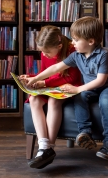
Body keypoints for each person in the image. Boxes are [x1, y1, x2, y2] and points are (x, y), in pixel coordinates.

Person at [25, 16, 108, 161]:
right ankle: (85, 133)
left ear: (90, 41)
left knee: (105, 102)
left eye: (76, 40)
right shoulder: (77, 56)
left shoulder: (103, 56)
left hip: (105, 88)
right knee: (80, 97)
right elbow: (56, 67)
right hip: (89, 88)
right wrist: (36, 78)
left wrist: (78, 89)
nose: (72, 42)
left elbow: (101, 81)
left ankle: (107, 144)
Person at [19, 25, 82, 169]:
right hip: (50, 85)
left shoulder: (72, 50)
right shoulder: (46, 51)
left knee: (54, 101)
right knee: (34, 99)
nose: (44, 54)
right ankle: (43, 146)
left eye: (47, 52)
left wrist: (44, 82)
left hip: (68, 85)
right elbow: (45, 71)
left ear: (59, 46)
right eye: (42, 51)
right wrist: (31, 77)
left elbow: (72, 77)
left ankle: (49, 148)